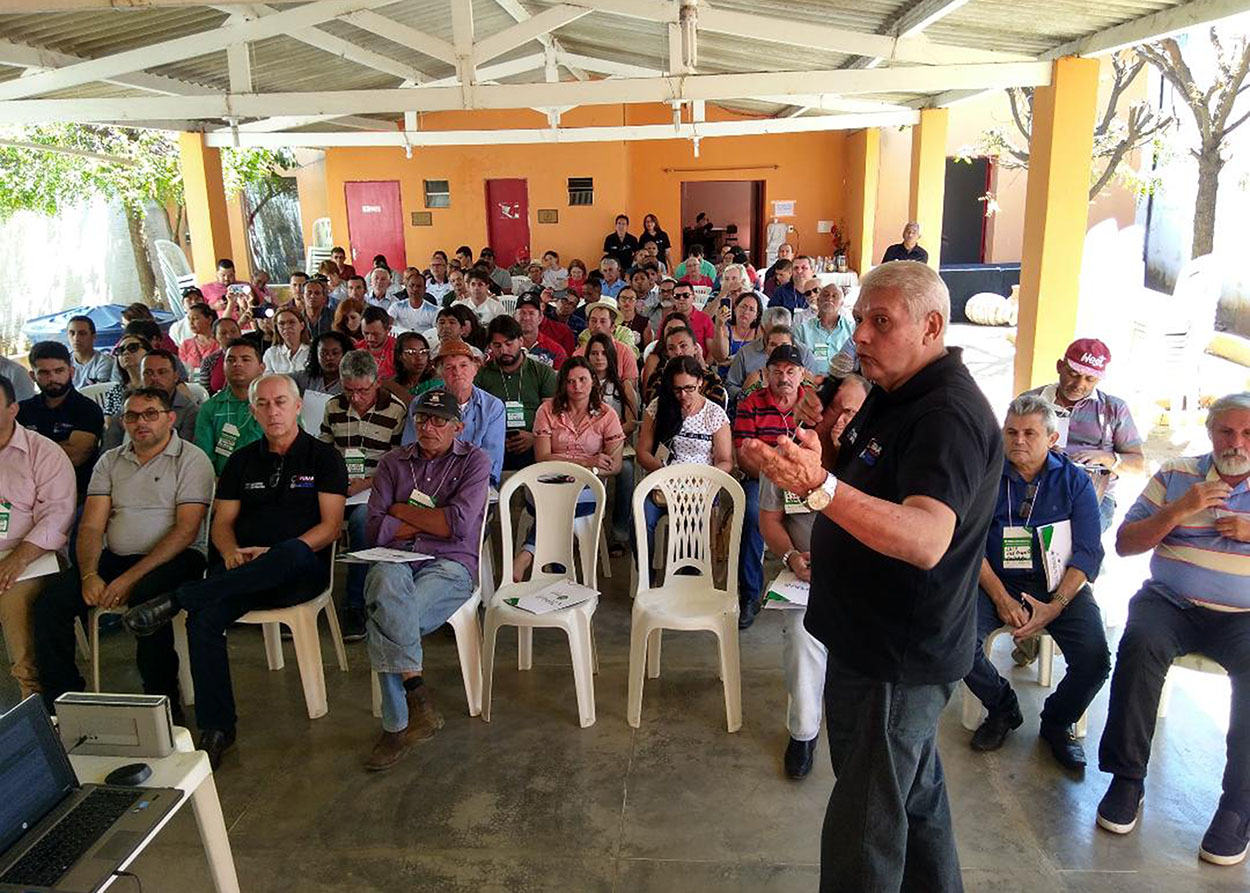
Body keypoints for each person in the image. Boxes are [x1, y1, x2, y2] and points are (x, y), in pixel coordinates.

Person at [740, 260, 1001, 890]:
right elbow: (863, 480)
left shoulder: (945, 416)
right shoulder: (893, 393)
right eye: (859, 319)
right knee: (912, 798)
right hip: (868, 635)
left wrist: (820, 486)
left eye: (880, 321)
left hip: (895, 653)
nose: (859, 335)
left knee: (865, 824)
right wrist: (818, 455)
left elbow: (925, 536)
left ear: (932, 326)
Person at [124, 374, 346, 769]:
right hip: (241, 570)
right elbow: (222, 523)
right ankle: (217, 727)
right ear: (252, 410)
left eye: (280, 402)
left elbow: (329, 527)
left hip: (297, 571)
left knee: (290, 552)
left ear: (297, 407)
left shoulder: (323, 457)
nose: (272, 410)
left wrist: (275, 552)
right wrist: (229, 554)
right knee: (204, 620)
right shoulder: (242, 461)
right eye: (263, 403)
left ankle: (178, 598)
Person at [1095, 392, 1250, 865]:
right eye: (1227, 430)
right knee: (1140, 643)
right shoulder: (1177, 474)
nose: (1237, 442)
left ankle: (1237, 807)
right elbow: (1124, 544)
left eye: (1247, 433)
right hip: (1172, 601)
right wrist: (1178, 510)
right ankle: (1127, 780)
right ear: (1210, 433)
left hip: (1244, 617)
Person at [34, 387, 213, 721]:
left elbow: (186, 531)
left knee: (148, 604)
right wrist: (89, 574)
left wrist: (130, 578)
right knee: (51, 601)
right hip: (116, 557)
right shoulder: (110, 460)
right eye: (132, 415)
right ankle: (63, 704)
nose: (140, 422)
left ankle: (165, 709)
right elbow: (90, 528)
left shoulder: (191, 458)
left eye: (150, 414)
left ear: (169, 418)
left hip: (179, 558)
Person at [964, 395, 1109, 769]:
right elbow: (969, 544)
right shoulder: (985, 476)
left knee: (1095, 660)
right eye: (1011, 431)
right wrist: (1000, 597)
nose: (1019, 440)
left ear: (1052, 437)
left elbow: (1089, 553)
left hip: (1058, 584)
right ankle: (1002, 708)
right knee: (956, 645)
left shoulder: (1075, 481)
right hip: (995, 580)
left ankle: (1058, 722)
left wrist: (1056, 604)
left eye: (1030, 433)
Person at [361, 388, 491, 770]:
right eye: (422, 419)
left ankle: (395, 725)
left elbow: (458, 524)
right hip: (397, 559)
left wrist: (400, 511)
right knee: (384, 584)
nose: (429, 427)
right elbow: (372, 529)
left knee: (385, 614)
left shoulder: (474, 461)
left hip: (450, 565)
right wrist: (430, 521)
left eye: (438, 421)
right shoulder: (393, 463)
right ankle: (416, 694)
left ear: (457, 426)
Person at [758, 373, 869, 779]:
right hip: (805, 576)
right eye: (837, 411)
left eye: (855, 413)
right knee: (805, 635)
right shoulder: (790, 455)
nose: (844, 421)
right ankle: (804, 733)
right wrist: (789, 556)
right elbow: (769, 520)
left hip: (863, 578)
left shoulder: (875, 461)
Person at [319, 349, 407, 641]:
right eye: (349, 390)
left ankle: (354, 603)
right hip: (338, 486)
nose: (355, 398)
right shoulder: (334, 407)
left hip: (375, 489)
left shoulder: (394, 411)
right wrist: (335, 481)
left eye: (362, 391)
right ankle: (309, 591)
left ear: (376, 383)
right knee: (303, 515)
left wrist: (366, 482)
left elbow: (397, 463)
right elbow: (324, 451)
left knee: (361, 521)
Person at [513, 357, 624, 581]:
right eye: (570, 381)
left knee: (561, 501)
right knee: (556, 499)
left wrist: (585, 471)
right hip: (547, 482)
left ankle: (529, 554)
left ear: (593, 380)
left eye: (583, 379)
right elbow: (543, 458)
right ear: (563, 384)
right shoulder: (547, 410)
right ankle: (556, 567)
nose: (577, 387)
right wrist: (585, 462)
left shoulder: (607, 414)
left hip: (587, 486)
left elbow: (615, 465)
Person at [0, 374, 76, 698]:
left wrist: (15, 561)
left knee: (13, 597)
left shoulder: (42, 453)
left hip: (33, 556)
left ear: (13, 409)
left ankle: (32, 697)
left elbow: (57, 516)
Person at [731, 344, 815, 629]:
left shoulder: (812, 404)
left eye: (791, 371)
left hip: (806, 483)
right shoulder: (751, 403)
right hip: (760, 479)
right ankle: (751, 595)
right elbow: (743, 454)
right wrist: (776, 476)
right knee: (753, 514)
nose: (784, 378)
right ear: (766, 374)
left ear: (802, 373)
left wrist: (797, 480)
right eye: (777, 371)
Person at [1024, 338, 1145, 531]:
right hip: (1033, 491)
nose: (1079, 384)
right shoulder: (1030, 402)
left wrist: (1108, 458)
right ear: (1059, 367)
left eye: (1090, 379)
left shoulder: (1113, 409)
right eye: (1073, 374)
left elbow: (1138, 465)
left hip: (1093, 496)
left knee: (1076, 536)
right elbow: (1003, 450)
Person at [636, 355, 733, 552]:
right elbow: (643, 453)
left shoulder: (714, 414)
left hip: (700, 486)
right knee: (639, 517)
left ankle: (688, 574)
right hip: (663, 482)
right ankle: (646, 574)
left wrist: (704, 478)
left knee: (692, 527)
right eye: (677, 389)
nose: (683, 395)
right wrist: (666, 474)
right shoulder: (659, 407)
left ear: (700, 382)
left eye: (690, 388)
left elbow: (725, 461)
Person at [402, 341, 504, 486]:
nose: (457, 372)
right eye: (449, 367)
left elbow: (491, 461)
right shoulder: (421, 403)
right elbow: (410, 450)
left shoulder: (493, 407)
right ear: (440, 373)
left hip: (474, 483)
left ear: (475, 369)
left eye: (463, 365)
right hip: (428, 481)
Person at [19, 340, 104, 502]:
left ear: (71, 372)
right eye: (44, 373)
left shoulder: (88, 409)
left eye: (59, 371)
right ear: (33, 376)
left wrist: (27, 450)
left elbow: (76, 456)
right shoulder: (22, 410)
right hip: (22, 490)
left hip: (71, 493)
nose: (52, 378)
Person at [476, 315, 558, 473]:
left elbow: (553, 415)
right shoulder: (481, 375)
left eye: (509, 343)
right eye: (497, 345)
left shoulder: (542, 372)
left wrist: (535, 438)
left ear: (521, 341)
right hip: (493, 445)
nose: (504, 350)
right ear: (490, 347)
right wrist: (495, 439)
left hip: (536, 442)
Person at [584, 332, 639, 552]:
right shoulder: (580, 383)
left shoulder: (622, 386)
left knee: (625, 469)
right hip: (585, 444)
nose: (599, 358)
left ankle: (619, 532)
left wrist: (612, 436)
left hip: (616, 443)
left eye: (604, 354)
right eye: (594, 353)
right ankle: (584, 526)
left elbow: (631, 422)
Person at [194, 339, 265, 476]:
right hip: (224, 485)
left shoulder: (277, 404)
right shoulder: (210, 408)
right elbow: (204, 457)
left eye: (245, 359)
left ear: (261, 368)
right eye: (230, 360)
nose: (237, 364)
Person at [102, 349, 198, 450]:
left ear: (175, 376)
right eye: (148, 373)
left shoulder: (190, 411)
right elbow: (109, 448)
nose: (154, 378)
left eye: (162, 372)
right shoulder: (128, 407)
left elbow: (185, 453)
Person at [725, 307, 822, 403]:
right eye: (773, 336)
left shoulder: (803, 352)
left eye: (782, 332)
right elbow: (730, 386)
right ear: (762, 329)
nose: (778, 349)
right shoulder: (746, 353)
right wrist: (744, 393)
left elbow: (815, 389)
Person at [642, 325, 728, 410]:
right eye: (671, 348)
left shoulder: (711, 379)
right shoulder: (658, 378)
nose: (678, 352)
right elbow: (654, 410)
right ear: (667, 353)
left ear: (695, 348)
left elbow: (717, 412)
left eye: (683, 346)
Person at [795, 282, 854, 367]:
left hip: (844, 379)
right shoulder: (801, 331)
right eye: (825, 295)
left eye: (835, 296)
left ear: (841, 303)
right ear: (818, 301)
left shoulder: (852, 330)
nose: (829, 299)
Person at [709, 291, 763, 376]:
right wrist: (718, 326)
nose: (746, 312)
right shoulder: (726, 329)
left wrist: (733, 360)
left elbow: (759, 358)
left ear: (756, 315)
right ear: (735, 308)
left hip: (749, 381)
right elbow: (720, 357)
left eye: (751, 309)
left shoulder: (759, 331)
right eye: (743, 307)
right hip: (725, 379)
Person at [99, 333, 151, 419]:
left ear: (148, 352)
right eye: (120, 350)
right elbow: (108, 423)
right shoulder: (116, 391)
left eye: (133, 347)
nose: (126, 353)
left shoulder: (157, 386)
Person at [514, 293, 567, 369]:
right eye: (522, 313)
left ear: (540, 317)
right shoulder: (505, 346)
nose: (526, 317)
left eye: (531, 313)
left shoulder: (555, 350)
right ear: (514, 316)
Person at [382, 331, 439, 403]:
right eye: (411, 352)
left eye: (423, 352)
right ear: (399, 356)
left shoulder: (437, 383)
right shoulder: (389, 387)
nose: (419, 358)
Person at [664, 281, 714, 356]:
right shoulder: (668, 320)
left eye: (686, 295)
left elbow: (712, 351)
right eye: (677, 296)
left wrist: (705, 365)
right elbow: (661, 345)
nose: (681, 298)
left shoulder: (705, 319)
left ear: (694, 297)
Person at [296, 330, 351, 397]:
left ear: (345, 354)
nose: (329, 358)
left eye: (335, 353)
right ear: (316, 355)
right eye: (324, 353)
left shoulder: (352, 381)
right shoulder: (308, 377)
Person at [67, 315, 114, 387]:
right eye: (72, 333)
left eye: (82, 333)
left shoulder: (103, 363)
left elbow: (98, 394)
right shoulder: (63, 362)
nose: (76, 338)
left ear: (94, 336)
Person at [263, 306, 310, 375]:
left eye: (292, 322)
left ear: (302, 326)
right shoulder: (271, 354)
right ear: (277, 328)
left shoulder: (312, 352)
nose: (286, 326)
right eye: (281, 323)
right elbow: (267, 380)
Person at [390, 268, 440, 333]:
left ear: (425, 289)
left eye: (418, 286)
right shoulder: (396, 306)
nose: (415, 289)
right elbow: (387, 325)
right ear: (406, 287)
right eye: (412, 285)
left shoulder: (434, 310)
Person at [357, 305, 397, 379]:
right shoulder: (356, 349)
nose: (370, 338)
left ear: (388, 330)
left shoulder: (398, 350)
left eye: (376, 334)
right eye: (366, 333)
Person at [179, 303, 220, 370]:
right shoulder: (186, 345)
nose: (191, 323)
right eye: (189, 319)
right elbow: (184, 371)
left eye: (195, 318)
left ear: (209, 319)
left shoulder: (220, 341)